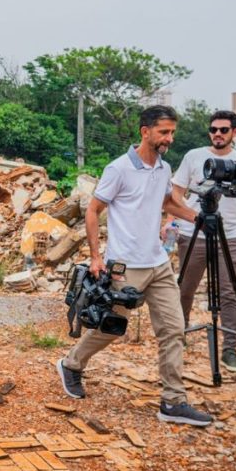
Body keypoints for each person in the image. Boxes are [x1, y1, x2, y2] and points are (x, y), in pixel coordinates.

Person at [55, 105, 214, 428]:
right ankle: (72, 364)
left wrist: (197, 217)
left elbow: (167, 202)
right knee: (112, 326)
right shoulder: (119, 169)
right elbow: (93, 210)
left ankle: (173, 401)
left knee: (173, 329)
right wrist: (97, 257)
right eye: (163, 132)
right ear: (145, 131)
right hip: (125, 266)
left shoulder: (163, 168)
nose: (169, 138)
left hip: (158, 263)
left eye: (172, 132)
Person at [171, 110, 236, 373]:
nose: (217, 134)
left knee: (230, 293)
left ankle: (230, 348)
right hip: (193, 233)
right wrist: (179, 219)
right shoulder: (193, 156)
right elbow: (176, 192)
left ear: (235, 133)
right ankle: (177, 337)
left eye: (224, 130)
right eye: (213, 129)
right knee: (185, 289)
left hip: (230, 236)